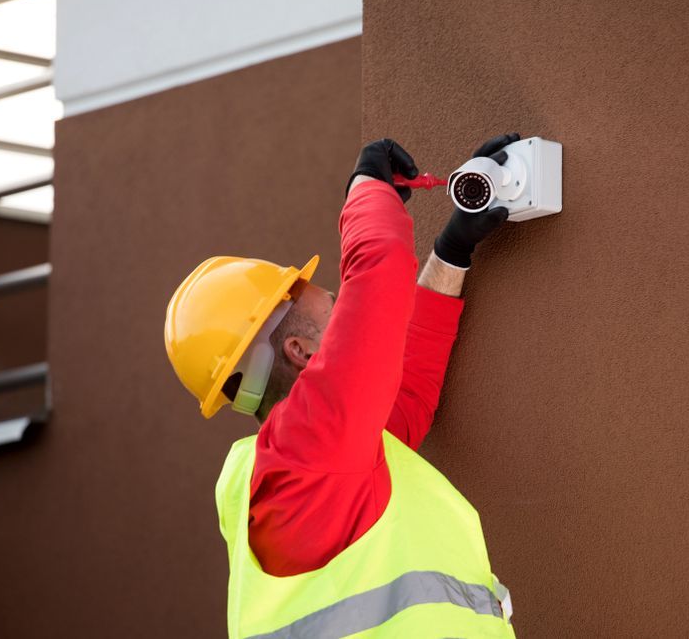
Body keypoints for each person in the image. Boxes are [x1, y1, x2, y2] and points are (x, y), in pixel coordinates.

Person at [164, 134, 521, 638]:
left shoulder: (305, 469)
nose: (341, 304)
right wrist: (367, 189)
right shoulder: (308, 453)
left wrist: (452, 251)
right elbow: (378, 281)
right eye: (331, 304)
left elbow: (407, 391)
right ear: (300, 352)